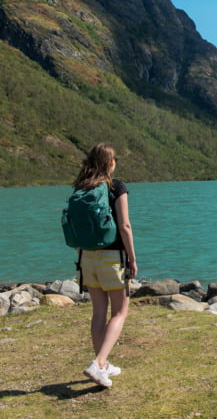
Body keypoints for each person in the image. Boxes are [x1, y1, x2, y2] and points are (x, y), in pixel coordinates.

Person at [72, 143, 137, 388]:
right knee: (120, 312)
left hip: (87, 257)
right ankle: (99, 363)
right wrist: (132, 258)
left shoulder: (82, 187)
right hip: (113, 259)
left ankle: (104, 365)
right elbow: (124, 226)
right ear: (111, 163)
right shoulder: (116, 186)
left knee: (99, 313)